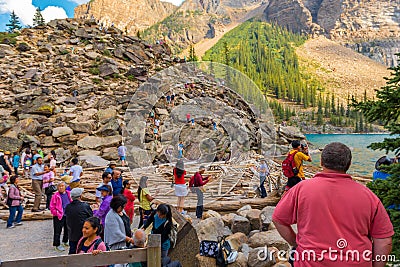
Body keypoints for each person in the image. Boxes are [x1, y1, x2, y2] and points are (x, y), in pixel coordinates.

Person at [272, 142, 394, 267]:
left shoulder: (301, 189)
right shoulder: (368, 196)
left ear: (321, 162)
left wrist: (296, 243)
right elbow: (384, 240)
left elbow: (278, 219)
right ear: (349, 164)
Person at [105, 195, 133, 267]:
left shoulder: (122, 211)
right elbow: (116, 233)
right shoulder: (111, 216)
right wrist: (129, 239)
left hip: (126, 244)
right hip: (117, 246)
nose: (123, 208)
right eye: (122, 206)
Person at [65, 188, 93, 254]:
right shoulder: (85, 206)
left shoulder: (68, 207)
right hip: (83, 234)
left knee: (72, 251)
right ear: (80, 196)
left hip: (72, 233)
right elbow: (91, 218)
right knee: (83, 251)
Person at [50, 182, 72, 252]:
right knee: (57, 231)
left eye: (62, 186)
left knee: (67, 229)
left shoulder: (69, 193)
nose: (61, 187)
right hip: (59, 215)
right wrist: (56, 213)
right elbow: (52, 206)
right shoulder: (55, 196)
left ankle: (65, 241)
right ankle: (57, 244)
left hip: (67, 214)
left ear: (65, 187)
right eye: (59, 186)